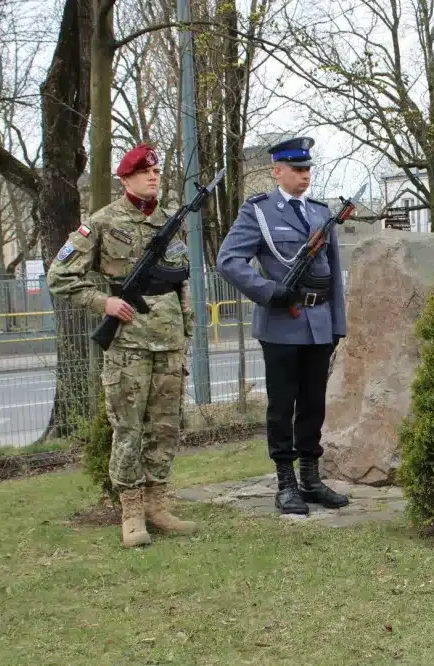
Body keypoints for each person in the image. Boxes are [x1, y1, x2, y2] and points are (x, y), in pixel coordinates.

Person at [46, 143, 197, 548]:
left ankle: (158, 505)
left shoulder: (169, 222)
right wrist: (103, 302)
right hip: (128, 343)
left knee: (166, 426)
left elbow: (181, 281)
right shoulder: (102, 222)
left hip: (169, 342)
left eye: (156, 172)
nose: (153, 177)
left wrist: (186, 331)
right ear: (126, 178)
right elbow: (60, 276)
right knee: (128, 428)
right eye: (145, 172)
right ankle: (131, 512)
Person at [216, 136, 349, 516]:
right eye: (297, 169)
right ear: (277, 171)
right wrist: (267, 291)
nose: (305, 176)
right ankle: (286, 482)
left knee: (313, 405)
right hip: (280, 324)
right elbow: (229, 260)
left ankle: (311, 478)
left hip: (319, 323)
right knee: (282, 408)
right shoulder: (258, 212)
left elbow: (333, 273)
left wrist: (337, 324)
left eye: (308, 169)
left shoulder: (321, 213)